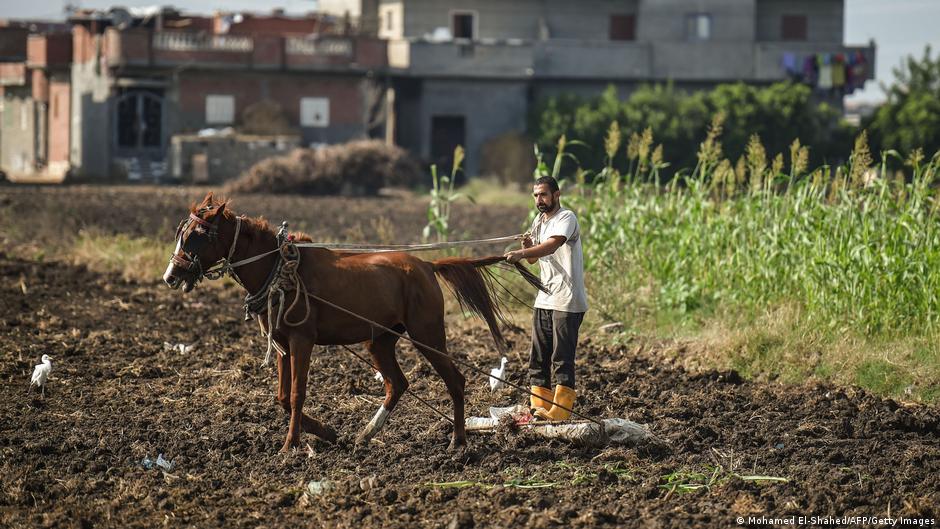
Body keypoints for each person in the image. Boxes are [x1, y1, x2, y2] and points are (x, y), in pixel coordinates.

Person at [505, 176, 588, 421]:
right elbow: (534, 259)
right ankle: (539, 409)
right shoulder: (538, 221)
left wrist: (522, 252)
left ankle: (560, 413)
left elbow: (551, 246)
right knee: (538, 358)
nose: (539, 200)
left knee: (562, 358)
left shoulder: (566, 218)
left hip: (567, 300)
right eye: (535, 196)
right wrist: (529, 246)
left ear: (556, 194)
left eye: (543, 194)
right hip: (544, 298)